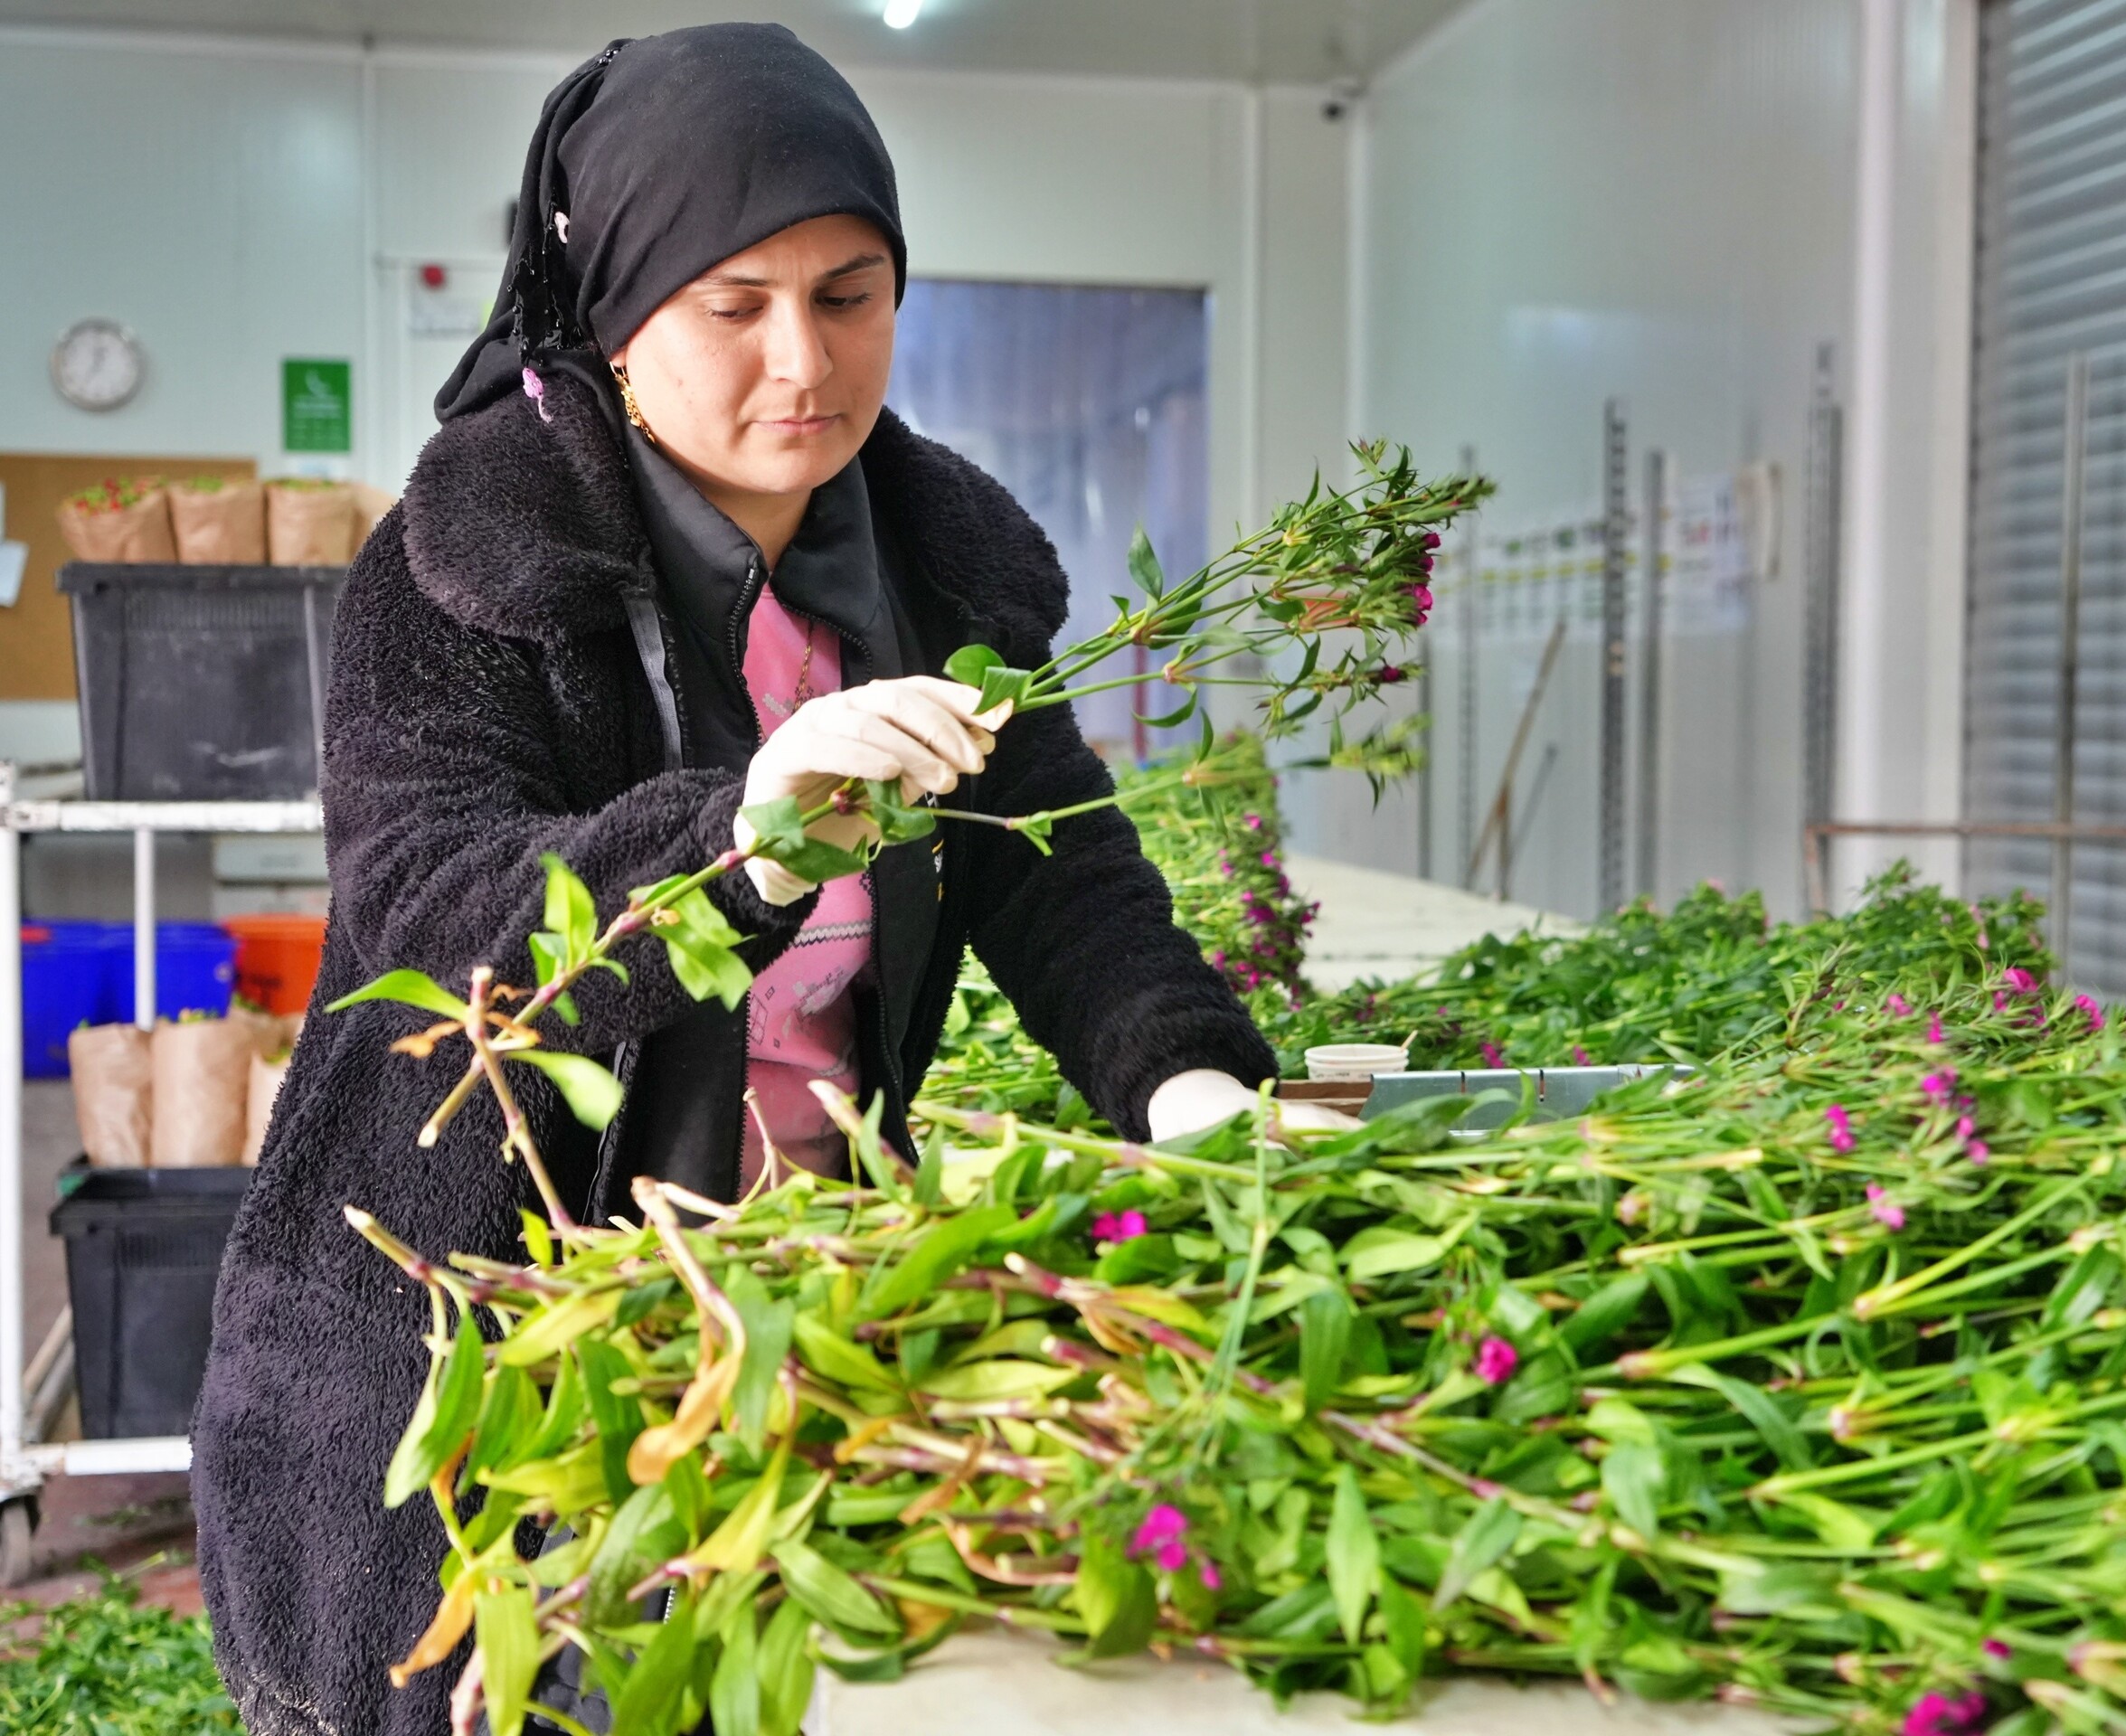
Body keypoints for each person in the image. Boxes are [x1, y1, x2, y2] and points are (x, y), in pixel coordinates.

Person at [192, 26, 1325, 1734]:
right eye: (735, 305)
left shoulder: (946, 573)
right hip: (470, 1323)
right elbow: (430, 909)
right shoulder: (465, 563)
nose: (803, 358)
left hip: (783, 1314)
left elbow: (1063, 882)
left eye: (851, 293)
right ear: (622, 322)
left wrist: (1191, 1085)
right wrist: (735, 841)